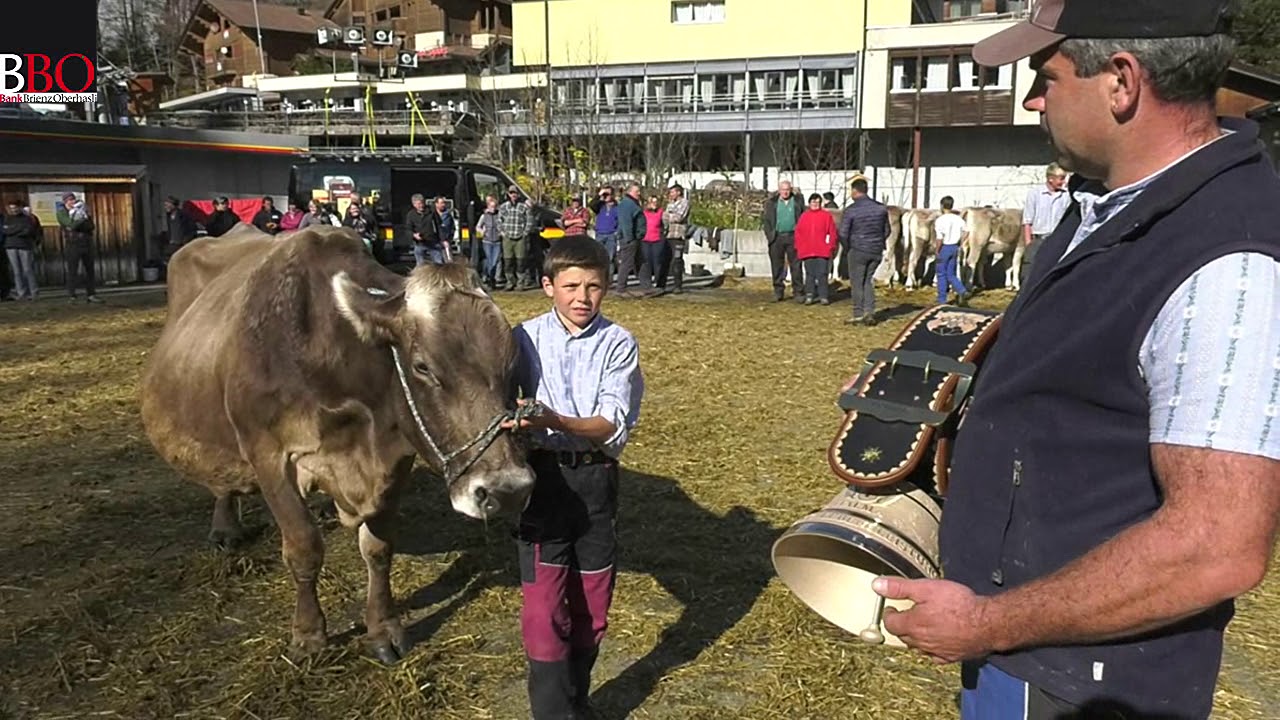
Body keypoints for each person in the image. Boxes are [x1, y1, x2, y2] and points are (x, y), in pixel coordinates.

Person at [871, 2, 1280, 719]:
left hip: (1084, 685)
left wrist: (988, 623)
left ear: (1121, 82)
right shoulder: (1104, 208)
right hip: (1027, 655)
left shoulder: (1230, 259)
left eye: (1045, 76)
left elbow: (1216, 546)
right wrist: (929, 406)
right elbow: (1070, 402)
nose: (1032, 100)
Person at [503, 235, 644, 720]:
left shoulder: (618, 343)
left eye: (594, 287)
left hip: (596, 482)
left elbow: (609, 423)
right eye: (571, 286)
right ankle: (552, 713)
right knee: (544, 613)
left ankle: (576, 703)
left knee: (591, 608)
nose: (582, 298)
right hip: (542, 485)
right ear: (548, 286)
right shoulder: (520, 339)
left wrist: (551, 419)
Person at [839, 178, 889, 325]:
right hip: (876, 250)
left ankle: (858, 312)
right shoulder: (881, 208)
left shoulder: (851, 210)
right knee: (868, 280)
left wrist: (848, 246)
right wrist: (878, 242)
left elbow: (843, 233)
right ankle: (870, 311)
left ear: (855, 191)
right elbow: (887, 230)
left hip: (858, 249)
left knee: (857, 282)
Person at [1020, 162, 1071, 283]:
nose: (1063, 182)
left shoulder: (1066, 196)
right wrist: (1029, 243)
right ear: (1050, 178)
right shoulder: (1035, 194)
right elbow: (1027, 221)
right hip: (1038, 239)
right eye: (1061, 178)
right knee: (1029, 272)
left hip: (1056, 239)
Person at [762, 180, 806, 302]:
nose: (785, 192)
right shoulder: (772, 203)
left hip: (793, 236)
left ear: (790, 190)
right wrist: (770, 235)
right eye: (783, 189)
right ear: (779, 190)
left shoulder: (797, 201)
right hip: (777, 237)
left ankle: (798, 292)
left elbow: (803, 218)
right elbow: (766, 221)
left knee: (796, 266)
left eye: (787, 189)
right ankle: (778, 291)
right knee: (777, 266)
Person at [793, 193, 837, 305]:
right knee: (809, 274)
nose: (815, 204)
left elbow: (832, 232)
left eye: (817, 202)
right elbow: (798, 233)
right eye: (813, 202)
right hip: (808, 251)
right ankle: (810, 295)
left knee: (822, 273)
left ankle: (823, 295)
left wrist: (830, 246)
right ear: (809, 203)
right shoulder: (804, 216)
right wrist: (799, 246)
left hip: (822, 251)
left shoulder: (826, 216)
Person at [59, 193, 102, 304]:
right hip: (73, 244)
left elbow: (91, 226)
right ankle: (72, 296)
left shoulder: (83, 211)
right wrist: (81, 219)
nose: (72, 202)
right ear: (65, 202)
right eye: (69, 200)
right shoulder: (62, 213)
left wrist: (83, 216)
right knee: (72, 270)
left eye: (73, 199)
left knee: (89, 270)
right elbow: (70, 225)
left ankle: (91, 294)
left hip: (86, 242)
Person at [932, 196, 969, 306]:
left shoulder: (940, 220)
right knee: (951, 273)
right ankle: (962, 290)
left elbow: (939, 238)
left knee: (941, 274)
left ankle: (942, 299)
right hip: (954, 247)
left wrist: (937, 250)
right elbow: (967, 231)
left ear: (942, 206)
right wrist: (961, 242)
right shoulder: (958, 219)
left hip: (944, 247)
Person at [3, 200, 39, 301]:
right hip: (10, 247)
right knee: (16, 271)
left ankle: (33, 292)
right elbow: (5, 230)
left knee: (28, 270)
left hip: (24, 246)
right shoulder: (7, 218)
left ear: (19, 208)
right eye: (11, 208)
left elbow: (28, 230)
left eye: (15, 208)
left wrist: (13, 230)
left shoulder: (26, 218)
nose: (13, 210)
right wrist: (18, 229)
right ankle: (21, 293)